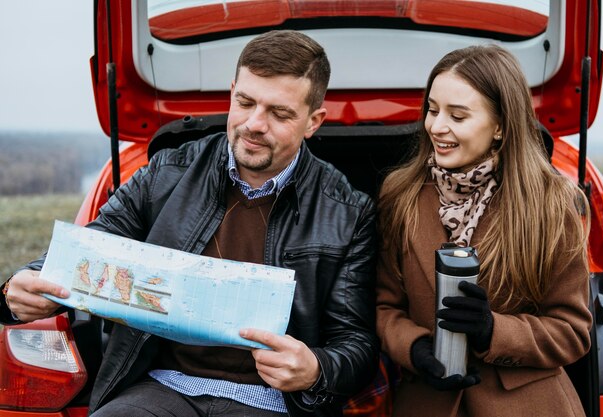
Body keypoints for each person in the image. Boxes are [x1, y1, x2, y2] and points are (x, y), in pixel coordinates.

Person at [0, 30, 379, 417]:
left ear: (313, 121)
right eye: (244, 102)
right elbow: (95, 242)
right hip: (159, 387)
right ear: (231, 91)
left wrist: (315, 370)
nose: (254, 124)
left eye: (279, 113)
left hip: (272, 403)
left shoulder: (349, 211)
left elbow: (356, 344)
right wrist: (23, 283)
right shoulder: (167, 171)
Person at [376, 44, 592, 417]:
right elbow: (384, 307)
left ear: (500, 127)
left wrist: (494, 330)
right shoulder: (400, 194)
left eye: (457, 116)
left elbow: (572, 331)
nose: (436, 126)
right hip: (427, 401)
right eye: (432, 110)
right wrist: (414, 348)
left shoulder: (554, 202)